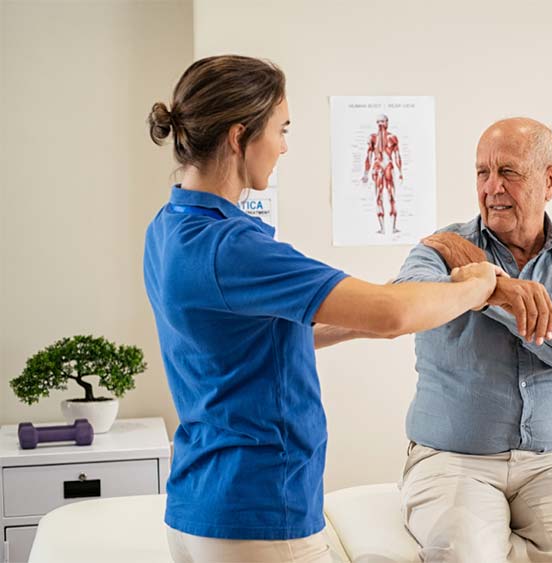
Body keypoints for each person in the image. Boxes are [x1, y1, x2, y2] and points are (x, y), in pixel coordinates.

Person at [143, 55, 521, 563]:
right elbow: (393, 316)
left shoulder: (168, 228)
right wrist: (477, 285)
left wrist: (355, 320)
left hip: (199, 504)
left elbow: (244, 339)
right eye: (281, 129)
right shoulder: (232, 247)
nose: (283, 146)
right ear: (238, 137)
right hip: (259, 512)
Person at [395, 117, 552, 562]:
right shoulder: (441, 249)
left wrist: (486, 293)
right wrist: (500, 288)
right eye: (482, 173)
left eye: (509, 172)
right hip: (451, 461)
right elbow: (412, 302)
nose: (491, 188)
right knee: (463, 556)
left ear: (551, 180)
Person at [360, 114, 403, 234]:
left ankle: (393, 227)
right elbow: (368, 156)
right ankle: (382, 228)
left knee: (391, 196)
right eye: (378, 122)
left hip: (389, 167)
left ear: (387, 122)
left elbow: (397, 155)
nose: (380, 124)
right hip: (378, 167)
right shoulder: (372, 138)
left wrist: (400, 172)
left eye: (382, 122)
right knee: (378, 196)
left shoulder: (392, 138)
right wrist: (365, 173)